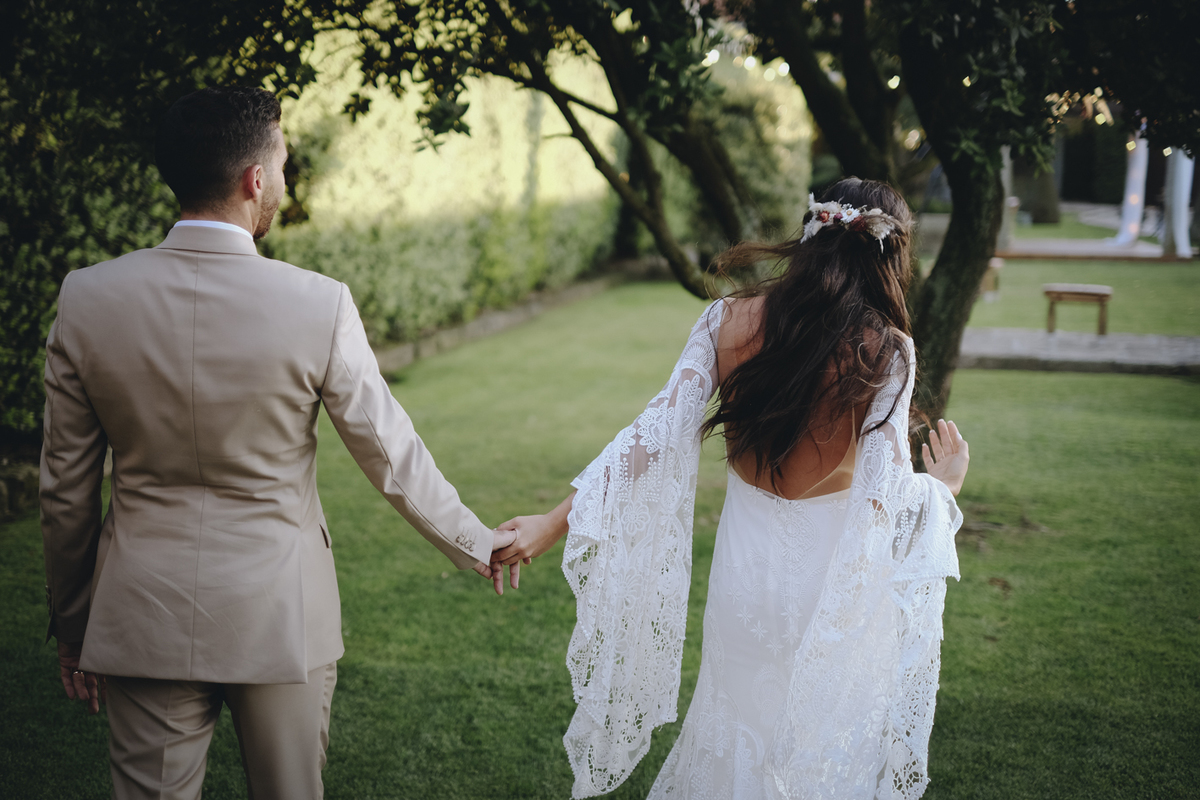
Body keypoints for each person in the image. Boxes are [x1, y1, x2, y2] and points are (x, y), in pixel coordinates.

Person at [39, 86, 515, 800]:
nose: (284, 182)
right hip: (281, 615)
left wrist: (74, 626)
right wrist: (476, 541)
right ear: (254, 180)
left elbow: (65, 490)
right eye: (283, 166)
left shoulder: (87, 298)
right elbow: (389, 455)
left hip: (143, 613)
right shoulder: (317, 304)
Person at [493, 178, 970, 799]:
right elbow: (882, 509)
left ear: (810, 236)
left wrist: (549, 523)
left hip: (743, 584)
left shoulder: (728, 319)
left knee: (732, 742)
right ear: (891, 258)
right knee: (815, 763)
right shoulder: (888, 353)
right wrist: (944, 489)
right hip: (828, 598)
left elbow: (654, 436)